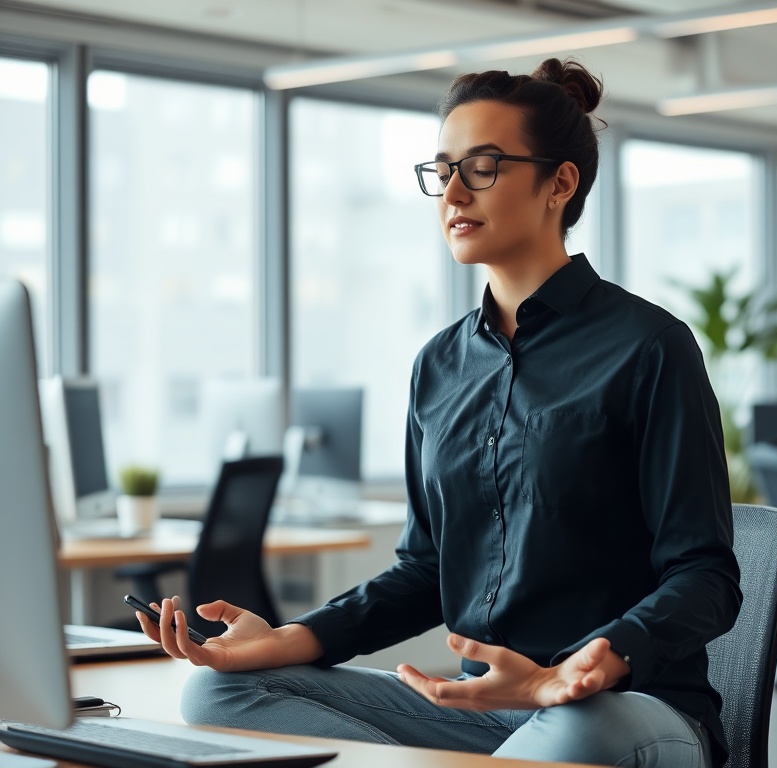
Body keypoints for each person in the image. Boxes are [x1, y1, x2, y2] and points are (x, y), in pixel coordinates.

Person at [136, 57, 742, 768]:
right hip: (483, 713)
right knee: (218, 697)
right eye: (441, 171)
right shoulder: (439, 365)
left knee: (572, 732)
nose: (452, 192)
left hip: (621, 710)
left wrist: (591, 665)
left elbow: (706, 577)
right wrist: (290, 639)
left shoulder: (649, 347)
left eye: (482, 168)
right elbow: (424, 571)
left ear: (561, 183)